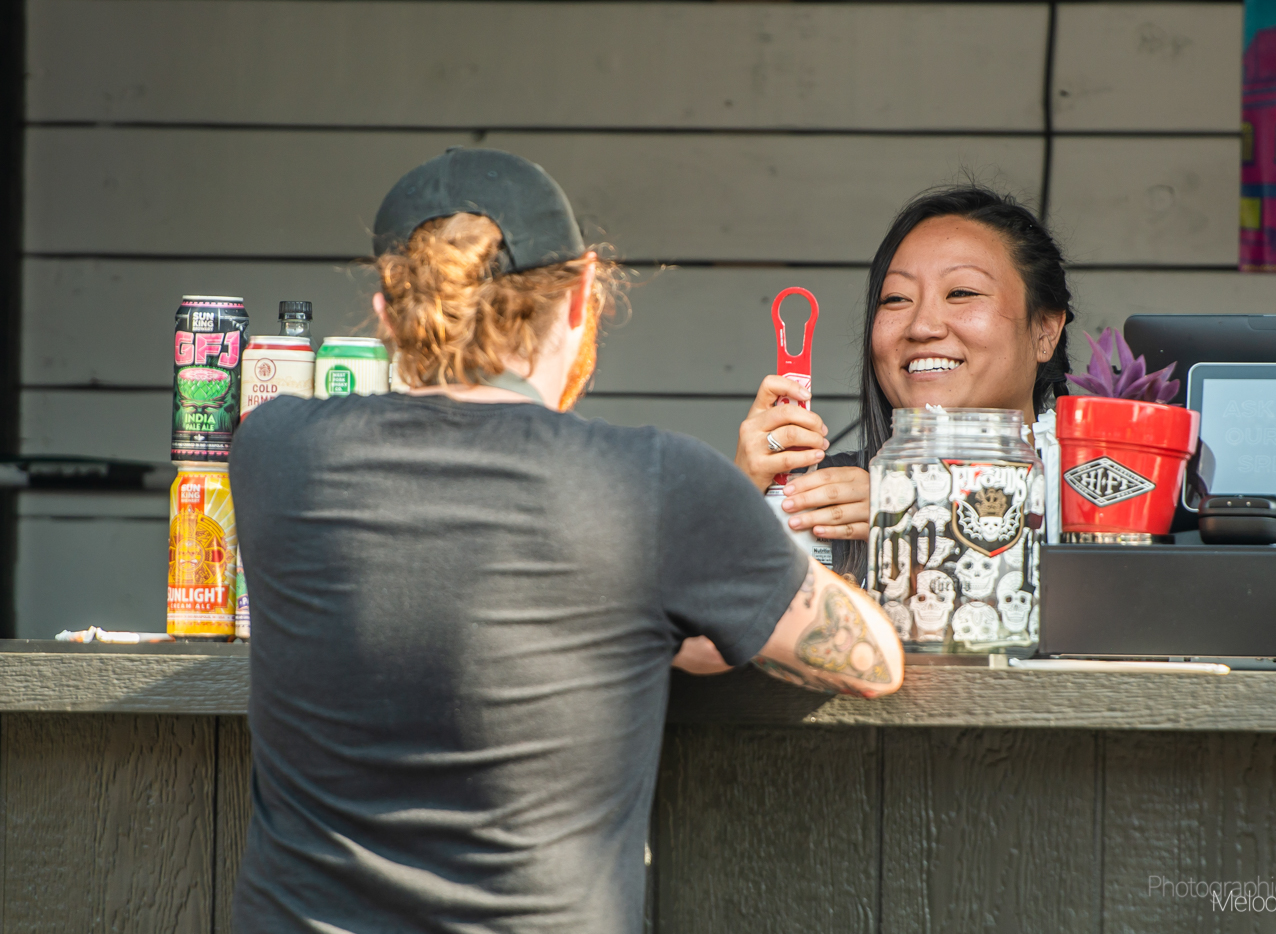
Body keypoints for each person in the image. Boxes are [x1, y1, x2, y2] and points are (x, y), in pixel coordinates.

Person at [228, 148, 903, 934]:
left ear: (387, 312)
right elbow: (872, 663)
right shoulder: (651, 482)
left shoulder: (273, 451)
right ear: (583, 295)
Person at [733, 186, 1074, 578]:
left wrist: (925, 524)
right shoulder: (820, 500)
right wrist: (740, 499)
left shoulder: (1098, 493)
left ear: (1045, 330)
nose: (922, 326)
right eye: (896, 298)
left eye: (961, 292)